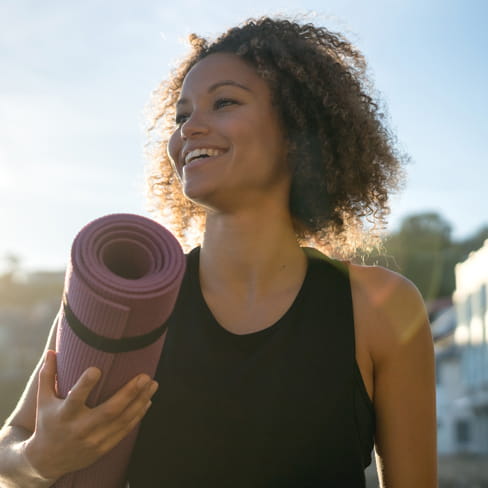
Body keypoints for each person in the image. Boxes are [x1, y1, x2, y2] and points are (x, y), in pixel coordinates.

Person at [0, 16, 437, 487]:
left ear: (298, 127)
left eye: (224, 102)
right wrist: (39, 459)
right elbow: (13, 445)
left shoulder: (382, 307)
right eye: (182, 116)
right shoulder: (130, 297)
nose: (190, 129)